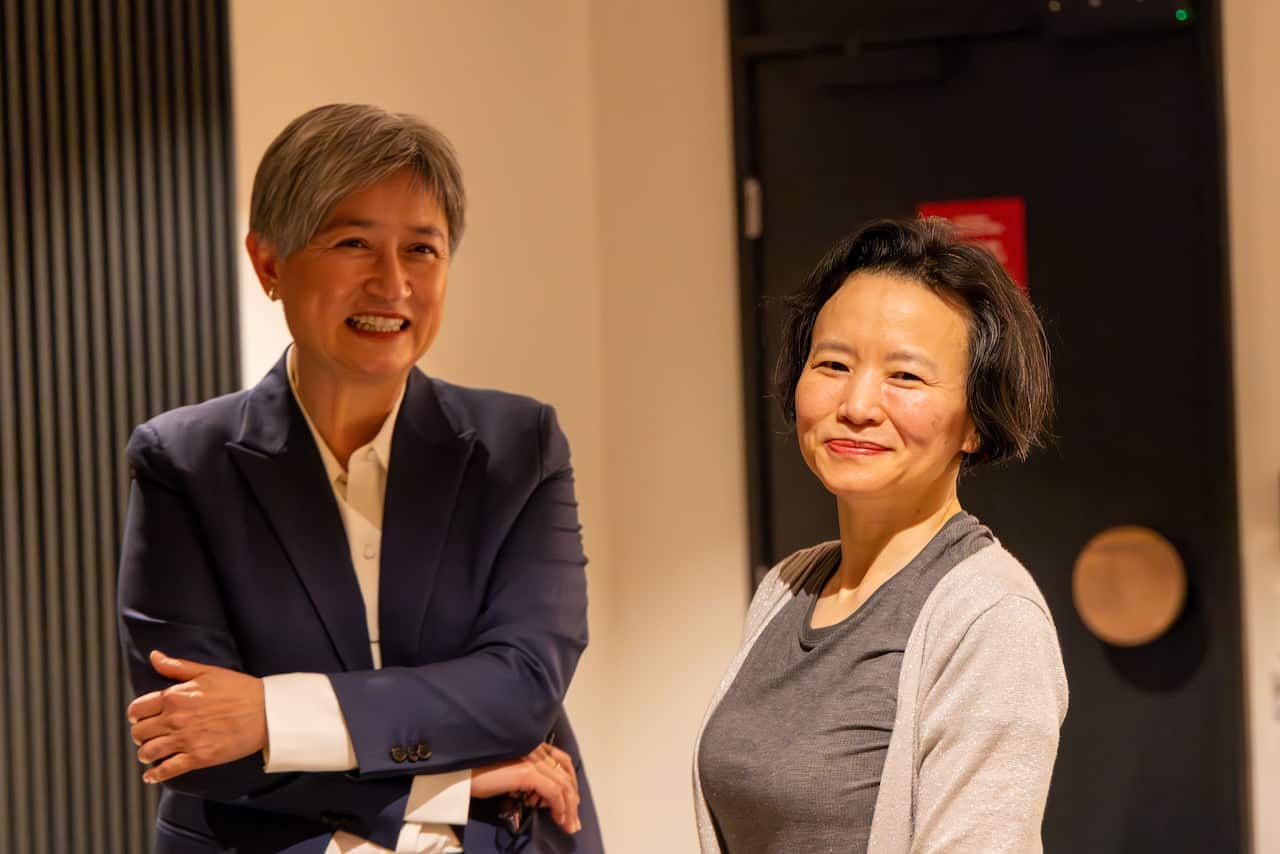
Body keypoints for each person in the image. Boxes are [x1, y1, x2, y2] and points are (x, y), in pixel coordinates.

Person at [118, 103, 603, 854]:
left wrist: (274, 714)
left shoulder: (517, 447)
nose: (393, 283)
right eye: (354, 243)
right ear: (269, 263)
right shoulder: (184, 462)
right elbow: (189, 734)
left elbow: (520, 688)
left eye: (423, 249)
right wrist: (450, 778)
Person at [694, 218, 1068, 854]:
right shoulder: (786, 588)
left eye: (906, 376)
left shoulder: (990, 618)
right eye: (833, 364)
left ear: (976, 421)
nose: (858, 404)